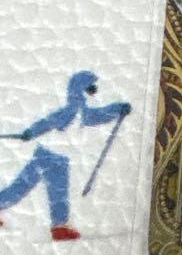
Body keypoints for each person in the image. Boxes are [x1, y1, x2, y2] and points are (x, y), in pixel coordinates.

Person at [0, 71, 130, 241]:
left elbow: (99, 115)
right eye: (91, 88)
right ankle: (59, 226)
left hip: (59, 159)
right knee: (24, 186)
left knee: (56, 192)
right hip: (46, 156)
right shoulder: (71, 111)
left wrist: (118, 108)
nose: (94, 92)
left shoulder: (82, 112)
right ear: (81, 90)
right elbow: (48, 122)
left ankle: (60, 227)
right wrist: (31, 132)